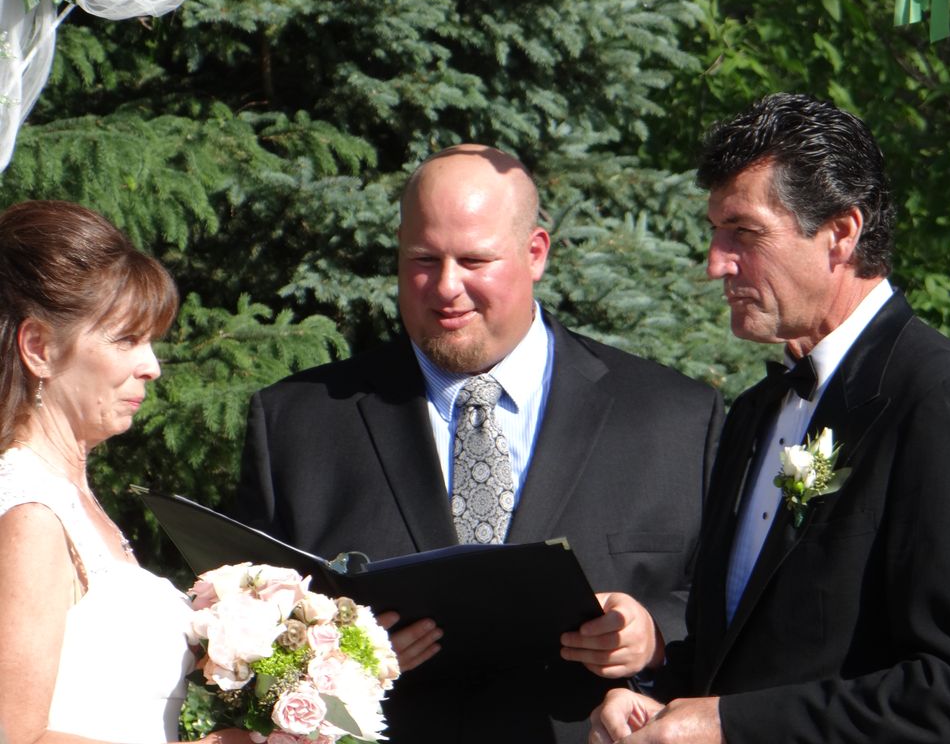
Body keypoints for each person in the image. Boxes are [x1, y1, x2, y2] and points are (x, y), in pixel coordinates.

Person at [233, 144, 724, 743]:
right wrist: (337, 655)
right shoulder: (298, 424)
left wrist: (652, 635)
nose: (446, 287)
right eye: (422, 259)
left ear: (535, 252)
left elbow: (724, 603)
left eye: (474, 260)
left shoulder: (674, 417)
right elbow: (241, 632)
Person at [589, 92, 950, 744]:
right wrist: (658, 689)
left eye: (745, 233)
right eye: (715, 232)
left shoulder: (942, 401)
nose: (716, 263)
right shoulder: (755, 410)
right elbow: (749, 659)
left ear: (841, 234)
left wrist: (726, 725)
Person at [0, 201, 248, 744]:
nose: (152, 365)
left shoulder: (65, 499)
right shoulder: (30, 516)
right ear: (39, 348)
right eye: (126, 339)